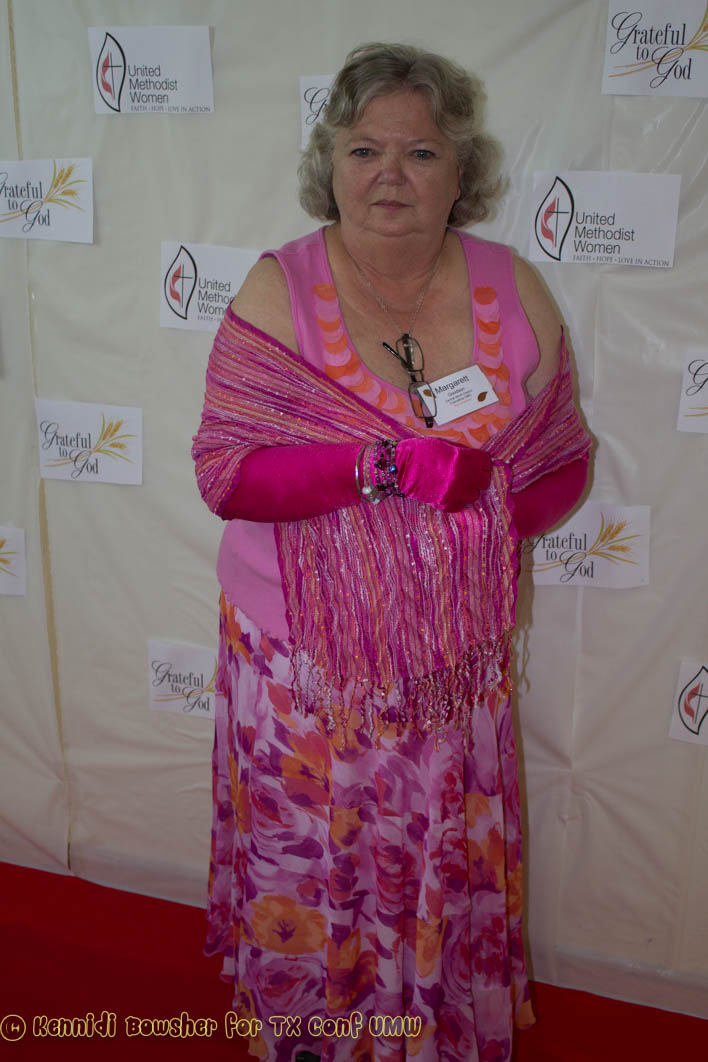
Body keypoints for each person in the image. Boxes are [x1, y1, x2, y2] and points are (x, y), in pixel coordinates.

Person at [193, 42, 591, 1062]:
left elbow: (563, 463)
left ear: (463, 172)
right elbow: (229, 475)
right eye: (364, 149)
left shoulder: (514, 287)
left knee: (435, 864)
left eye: (421, 152)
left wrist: (481, 509)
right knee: (314, 868)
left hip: (451, 666)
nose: (390, 176)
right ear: (329, 163)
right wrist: (379, 468)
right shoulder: (277, 290)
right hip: (303, 668)